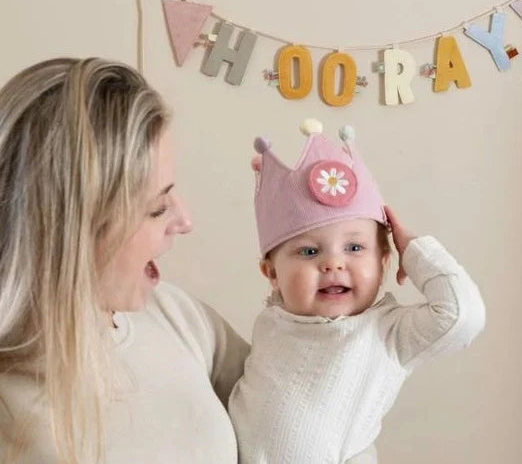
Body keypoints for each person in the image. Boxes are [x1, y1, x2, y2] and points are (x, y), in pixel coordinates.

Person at [0, 58, 250, 464]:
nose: (185, 222)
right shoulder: (12, 402)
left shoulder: (179, 317)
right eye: (156, 208)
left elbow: (312, 421)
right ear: (69, 233)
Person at [228, 119, 486, 464]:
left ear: (383, 261)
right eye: (308, 251)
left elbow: (463, 316)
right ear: (271, 273)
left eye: (354, 248)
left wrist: (413, 250)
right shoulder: (273, 320)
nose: (333, 264)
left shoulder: (387, 333)